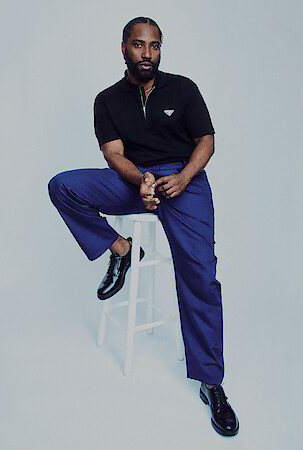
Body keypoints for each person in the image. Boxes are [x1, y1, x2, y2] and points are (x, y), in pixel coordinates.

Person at [48, 17, 239, 437]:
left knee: (200, 276)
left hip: (182, 180)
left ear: (160, 49)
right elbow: (114, 154)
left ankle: (211, 383)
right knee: (63, 187)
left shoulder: (183, 89)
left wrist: (183, 178)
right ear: (124, 48)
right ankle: (123, 250)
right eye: (138, 45)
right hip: (134, 179)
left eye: (154, 45)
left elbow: (206, 141)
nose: (147, 53)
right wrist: (142, 181)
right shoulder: (107, 100)